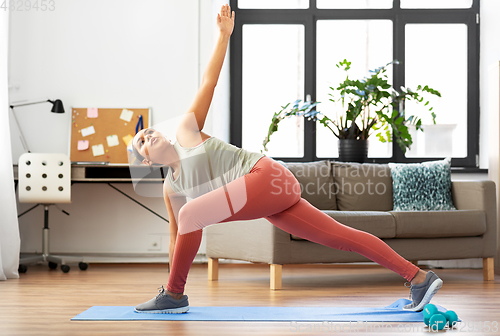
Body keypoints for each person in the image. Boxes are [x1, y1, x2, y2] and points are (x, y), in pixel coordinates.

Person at [132, 4, 442, 314]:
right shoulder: (171, 187)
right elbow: (178, 237)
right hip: (272, 197)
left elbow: (208, 83)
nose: (148, 135)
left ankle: (174, 297)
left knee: (191, 213)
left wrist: (224, 36)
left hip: (266, 176)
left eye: (147, 131)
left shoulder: (186, 130)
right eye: (141, 142)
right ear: (147, 162)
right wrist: (173, 268)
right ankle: (418, 278)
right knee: (341, 237)